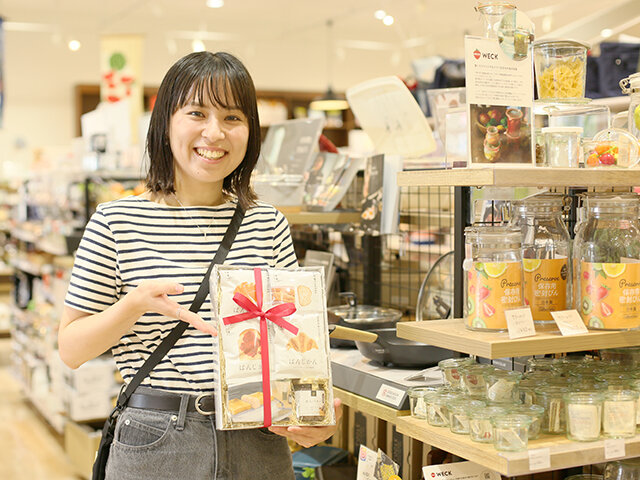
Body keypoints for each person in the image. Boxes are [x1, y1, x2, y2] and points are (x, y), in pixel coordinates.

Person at [58, 51, 342, 480]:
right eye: (196, 113)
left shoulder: (267, 222)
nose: (215, 132)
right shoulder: (117, 221)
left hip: (256, 439)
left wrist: (309, 416)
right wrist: (132, 305)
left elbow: (291, 344)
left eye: (232, 117)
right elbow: (72, 348)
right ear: (165, 123)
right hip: (156, 440)